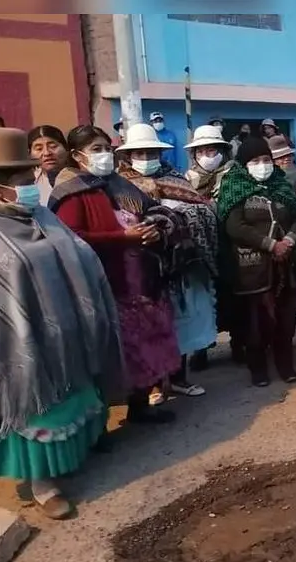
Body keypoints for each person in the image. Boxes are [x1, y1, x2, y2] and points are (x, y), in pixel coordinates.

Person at [0, 127, 123, 520]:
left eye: (29, 178)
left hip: (67, 332)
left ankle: (77, 453)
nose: (30, 188)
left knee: (75, 399)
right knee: (38, 409)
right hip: (21, 346)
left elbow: (78, 251)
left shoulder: (42, 215)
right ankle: (42, 483)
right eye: (21, 182)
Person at [50, 125, 180, 423]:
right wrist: (122, 237)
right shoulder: (71, 192)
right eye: (96, 149)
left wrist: (155, 230)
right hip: (106, 283)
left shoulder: (120, 184)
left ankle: (140, 405)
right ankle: (101, 418)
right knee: (113, 349)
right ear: (76, 155)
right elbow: (70, 237)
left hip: (139, 280)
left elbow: (153, 211)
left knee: (141, 344)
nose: (105, 155)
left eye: (107, 148)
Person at [116, 123, 217, 401]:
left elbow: (202, 209)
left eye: (151, 153)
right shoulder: (118, 185)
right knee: (149, 328)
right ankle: (154, 385)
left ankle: (179, 378)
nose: (146, 158)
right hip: (141, 267)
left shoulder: (175, 179)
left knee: (181, 324)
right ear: (129, 156)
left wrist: (176, 221)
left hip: (179, 265)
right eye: (140, 153)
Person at [218, 136, 296, 386]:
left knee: (286, 318)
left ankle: (285, 363)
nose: (263, 165)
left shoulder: (281, 184)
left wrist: (289, 240)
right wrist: (270, 244)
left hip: (285, 265)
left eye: (266, 159)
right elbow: (235, 226)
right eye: (255, 161)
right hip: (251, 268)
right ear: (243, 164)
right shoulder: (233, 186)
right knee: (255, 321)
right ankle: (257, 367)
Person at [183, 125, 237, 371]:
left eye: (211, 150)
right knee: (203, 301)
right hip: (201, 249)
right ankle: (202, 348)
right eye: (201, 151)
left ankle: (239, 343)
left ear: (222, 151)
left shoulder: (234, 175)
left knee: (233, 298)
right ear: (194, 155)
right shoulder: (185, 181)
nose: (207, 155)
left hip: (232, 245)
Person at [28, 125, 69, 205]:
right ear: (29, 154)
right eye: (39, 149)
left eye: (53, 146)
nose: (47, 153)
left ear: (66, 148)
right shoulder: (29, 184)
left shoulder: (79, 178)